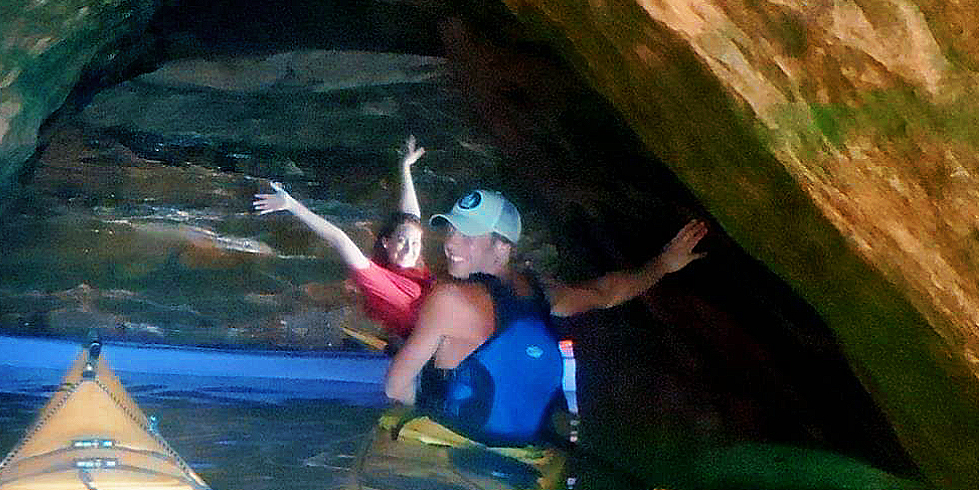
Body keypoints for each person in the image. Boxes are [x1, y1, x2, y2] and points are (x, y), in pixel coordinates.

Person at [385, 188, 708, 445]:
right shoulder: (542, 292)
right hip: (524, 447)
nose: (450, 243)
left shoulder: (447, 298)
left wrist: (422, 422)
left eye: (467, 236)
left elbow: (396, 387)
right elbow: (607, 293)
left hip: (454, 440)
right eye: (451, 230)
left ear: (502, 248)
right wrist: (664, 264)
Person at [252, 137, 432, 339]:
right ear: (386, 242)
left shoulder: (412, 265)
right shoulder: (392, 289)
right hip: (409, 334)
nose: (410, 249)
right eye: (402, 241)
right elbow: (340, 239)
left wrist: (405, 168)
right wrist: (291, 205)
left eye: (415, 243)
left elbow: (411, 218)